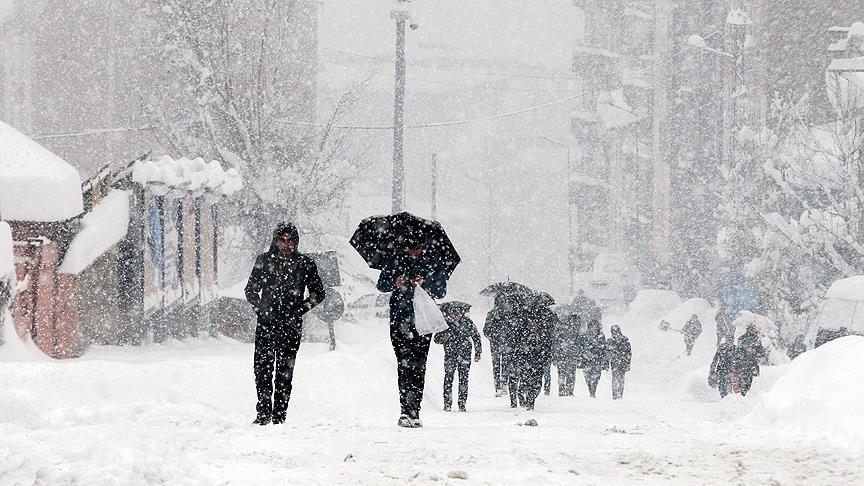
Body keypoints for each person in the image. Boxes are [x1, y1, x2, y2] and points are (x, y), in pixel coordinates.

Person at [245, 222, 325, 425]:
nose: (286, 244)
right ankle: (263, 412)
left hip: (290, 326)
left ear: (296, 242)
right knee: (262, 369)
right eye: (282, 240)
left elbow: (319, 293)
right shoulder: (264, 260)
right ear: (275, 241)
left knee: (284, 372)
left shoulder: (305, 264)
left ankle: (280, 414)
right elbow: (250, 290)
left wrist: (300, 309)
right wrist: (260, 309)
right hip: (266, 323)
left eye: (290, 240)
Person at [376, 232, 447, 428]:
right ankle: (405, 410)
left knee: (418, 365)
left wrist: (425, 283)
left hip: (423, 321)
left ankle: (414, 409)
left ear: (424, 244)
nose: (415, 250)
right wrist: (395, 282)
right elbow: (381, 284)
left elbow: (441, 291)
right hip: (400, 320)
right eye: (412, 246)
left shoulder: (433, 261)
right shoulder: (395, 260)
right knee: (404, 364)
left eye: (419, 246)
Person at [505, 294, 554, 411]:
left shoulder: (545, 325)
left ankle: (529, 398)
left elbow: (548, 343)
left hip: (539, 357)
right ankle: (526, 400)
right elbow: (512, 339)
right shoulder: (520, 323)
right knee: (525, 379)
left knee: (537, 382)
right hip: (525, 358)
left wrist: (546, 355)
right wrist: (521, 348)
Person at [434, 305, 482, 412]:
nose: (455, 315)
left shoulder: (467, 322)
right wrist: (444, 336)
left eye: (458, 312)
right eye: (453, 312)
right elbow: (436, 339)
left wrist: (478, 352)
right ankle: (447, 404)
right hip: (450, 355)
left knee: (463, 379)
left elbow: (476, 336)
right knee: (448, 378)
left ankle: (462, 404)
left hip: (465, 354)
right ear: (449, 313)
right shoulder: (445, 323)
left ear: (462, 312)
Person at [484, 294, 513, 396]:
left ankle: (500, 386)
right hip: (500, 343)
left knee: (500, 365)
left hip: (500, 344)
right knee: (504, 365)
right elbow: (486, 330)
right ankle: (501, 385)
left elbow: (486, 330)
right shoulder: (506, 314)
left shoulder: (494, 314)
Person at [553, 313, 581, 396]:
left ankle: (568, 390)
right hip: (564, 355)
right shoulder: (564, 330)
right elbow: (557, 342)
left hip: (570, 355)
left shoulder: (575, 332)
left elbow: (578, 344)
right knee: (563, 373)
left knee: (569, 374)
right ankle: (564, 390)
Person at [736, 324, 766, 396]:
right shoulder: (753, 339)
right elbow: (739, 351)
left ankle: (745, 394)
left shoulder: (745, 339)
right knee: (747, 380)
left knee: (747, 380)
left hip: (747, 363)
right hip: (747, 363)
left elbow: (761, 352)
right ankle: (745, 394)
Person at [581, 320, 607, 398]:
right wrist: (586, 354)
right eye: (592, 326)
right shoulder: (585, 335)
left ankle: (593, 391)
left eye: (595, 325)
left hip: (597, 359)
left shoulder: (601, 335)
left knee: (596, 377)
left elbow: (603, 347)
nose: (594, 327)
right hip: (587, 360)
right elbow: (582, 347)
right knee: (588, 377)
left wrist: (598, 354)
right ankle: (590, 390)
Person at [606, 325, 631, 400]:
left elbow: (628, 354)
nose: (614, 333)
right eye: (613, 332)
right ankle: (615, 395)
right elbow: (607, 353)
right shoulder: (610, 341)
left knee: (620, 380)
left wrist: (628, 364)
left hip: (622, 363)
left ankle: (620, 395)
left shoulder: (625, 341)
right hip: (614, 363)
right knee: (615, 380)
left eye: (616, 331)